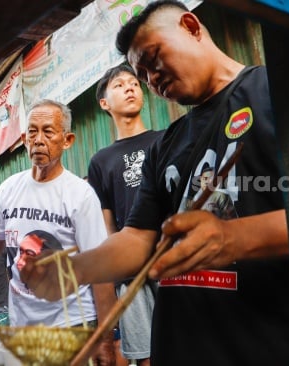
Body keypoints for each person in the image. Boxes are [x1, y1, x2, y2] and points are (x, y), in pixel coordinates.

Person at [20, 2, 289, 365]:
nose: (152, 79)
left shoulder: (274, 90)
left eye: (154, 58)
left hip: (266, 345)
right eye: (143, 74)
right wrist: (73, 269)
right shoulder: (167, 144)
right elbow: (138, 239)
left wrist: (235, 237)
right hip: (180, 346)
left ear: (190, 26)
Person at [0, 99, 117, 365]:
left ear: (67, 140)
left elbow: (100, 271)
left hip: (70, 323)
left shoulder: (80, 195)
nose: (38, 140)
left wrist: (104, 338)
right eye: (32, 131)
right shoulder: (8, 188)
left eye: (48, 132)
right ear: (24, 139)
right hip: (23, 323)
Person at [87, 63, 163, 366]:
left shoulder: (166, 138)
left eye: (134, 83)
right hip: (132, 275)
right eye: (119, 85)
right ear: (105, 103)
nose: (130, 87)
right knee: (145, 357)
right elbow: (106, 225)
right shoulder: (100, 161)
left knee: (189, 345)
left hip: (174, 262)